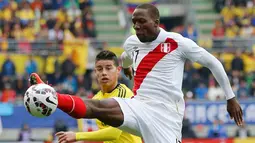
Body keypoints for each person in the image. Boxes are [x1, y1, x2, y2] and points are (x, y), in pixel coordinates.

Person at [29, 4, 243, 143]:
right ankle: (51, 97)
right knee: (96, 107)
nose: (137, 27)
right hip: (139, 105)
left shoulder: (177, 43)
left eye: (142, 23)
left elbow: (213, 63)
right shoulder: (132, 42)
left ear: (156, 23)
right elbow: (126, 57)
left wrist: (230, 97)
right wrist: (129, 66)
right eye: (134, 23)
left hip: (166, 115)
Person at [32, 51, 142, 143]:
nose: (104, 73)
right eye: (99, 69)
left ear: (118, 71)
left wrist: (77, 136)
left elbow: (114, 133)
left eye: (108, 68)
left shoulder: (124, 94)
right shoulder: (96, 98)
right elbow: (79, 109)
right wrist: (51, 96)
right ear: (95, 72)